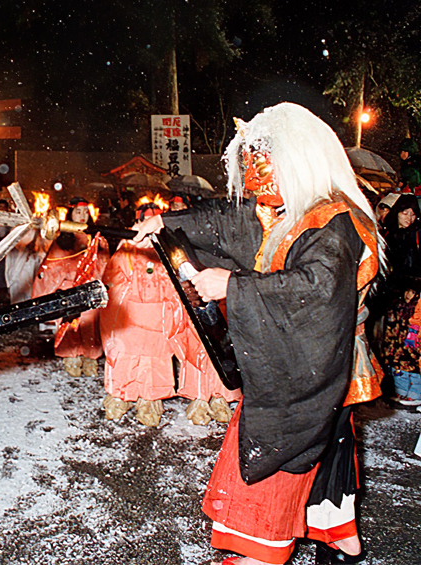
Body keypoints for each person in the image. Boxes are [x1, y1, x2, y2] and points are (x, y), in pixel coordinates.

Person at [134, 102, 383, 565]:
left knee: (280, 454)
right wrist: (164, 222)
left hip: (311, 365)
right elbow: (231, 222)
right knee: (326, 458)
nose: (259, 190)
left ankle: (260, 551)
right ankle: (338, 541)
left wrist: (231, 285)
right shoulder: (290, 208)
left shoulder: (332, 221)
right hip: (308, 366)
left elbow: (315, 290)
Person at [101, 203, 240, 427]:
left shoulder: (171, 247)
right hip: (132, 316)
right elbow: (113, 281)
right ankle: (120, 397)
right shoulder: (127, 247)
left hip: (161, 315)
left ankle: (155, 401)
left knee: (164, 360)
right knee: (126, 358)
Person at [33, 197, 109, 377]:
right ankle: (71, 358)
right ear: (70, 213)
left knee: (90, 325)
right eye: (78, 212)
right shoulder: (63, 240)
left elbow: (105, 262)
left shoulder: (96, 237)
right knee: (70, 325)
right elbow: (52, 266)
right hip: (69, 288)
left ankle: (90, 358)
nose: (82, 216)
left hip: (90, 287)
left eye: (85, 212)